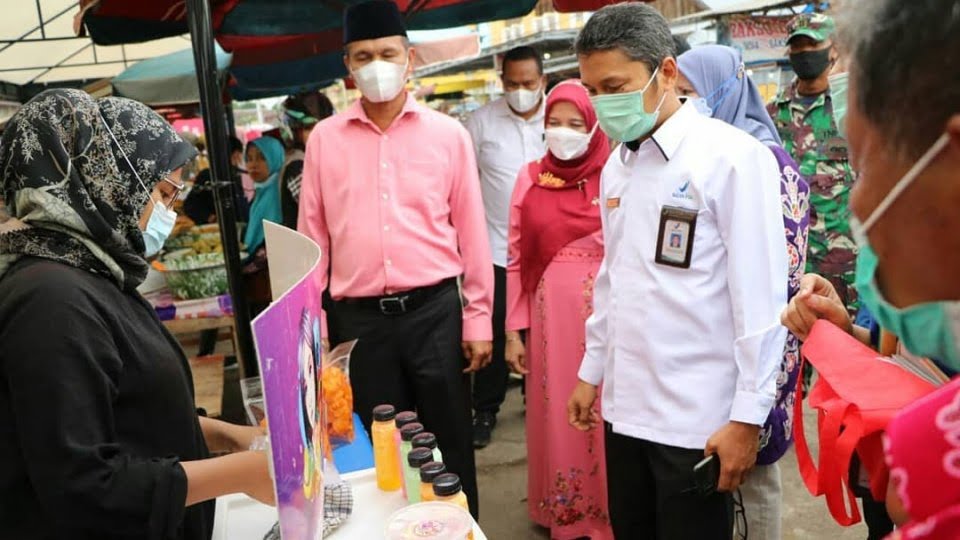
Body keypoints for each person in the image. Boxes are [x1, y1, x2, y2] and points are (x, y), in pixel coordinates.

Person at [0, 89, 274, 539]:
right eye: (163, 193)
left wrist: (226, 436)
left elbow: (133, 415)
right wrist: (241, 474)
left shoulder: (92, 270)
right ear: (106, 181)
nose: (169, 211)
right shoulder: (50, 302)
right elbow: (82, 484)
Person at [566, 4, 789, 538]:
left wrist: (747, 419)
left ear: (666, 72)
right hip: (626, 410)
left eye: (615, 86)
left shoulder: (732, 158)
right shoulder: (618, 166)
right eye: (592, 90)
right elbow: (613, 278)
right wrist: (591, 370)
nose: (603, 103)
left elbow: (761, 301)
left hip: (697, 421)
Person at [297, 0, 493, 518]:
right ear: (348, 65)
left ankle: (460, 529)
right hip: (359, 324)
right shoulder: (324, 141)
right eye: (363, 56)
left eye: (387, 53)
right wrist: (314, 332)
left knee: (449, 443)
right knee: (379, 451)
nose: (376, 65)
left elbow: (472, 232)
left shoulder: (448, 135)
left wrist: (478, 318)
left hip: (435, 314)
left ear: (409, 58)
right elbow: (312, 242)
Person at [677, 44, 812, 540]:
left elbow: (780, 280)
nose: (682, 105)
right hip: (709, 346)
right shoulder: (695, 158)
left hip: (758, 346)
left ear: (724, 92)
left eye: (690, 93)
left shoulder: (767, 161)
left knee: (751, 480)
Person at [504, 80, 612, 540]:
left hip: (605, 315)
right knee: (557, 412)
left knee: (606, 411)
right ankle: (567, 513)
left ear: (594, 127)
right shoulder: (529, 178)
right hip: (550, 322)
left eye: (575, 123)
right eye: (555, 122)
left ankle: (608, 512)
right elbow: (515, 256)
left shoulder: (615, 173)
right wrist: (514, 330)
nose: (563, 132)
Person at [464, 45, 547, 449]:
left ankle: (540, 401)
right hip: (496, 248)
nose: (520, 91)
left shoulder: (561, 117)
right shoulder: (480, 123)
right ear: (502, 82)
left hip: (550, 250)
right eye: (512, 84)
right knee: (496, 332)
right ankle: (485, 410)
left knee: (544, 329)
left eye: (528, 83)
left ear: (543, 80)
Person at [768, 13, 859, 316]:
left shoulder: (849, 108)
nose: (805, 52)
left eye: (813, 44)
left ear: (834, 49)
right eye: (798, 46)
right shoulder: (773, 113)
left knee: (849, 339)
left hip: (846, 263)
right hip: (791, 263)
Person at [280, 92, 336, 230]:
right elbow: (321, 213)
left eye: (321, 126)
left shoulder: (318, 160)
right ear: (295, 132)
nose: (317, 132)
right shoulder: (297, 166)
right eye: (309, 128)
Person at [183, 136, 249, 226]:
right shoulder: (208, 175)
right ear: (237, 154)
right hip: (215, 229)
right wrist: (210, 217)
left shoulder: (236, 174)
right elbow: (190, 205)